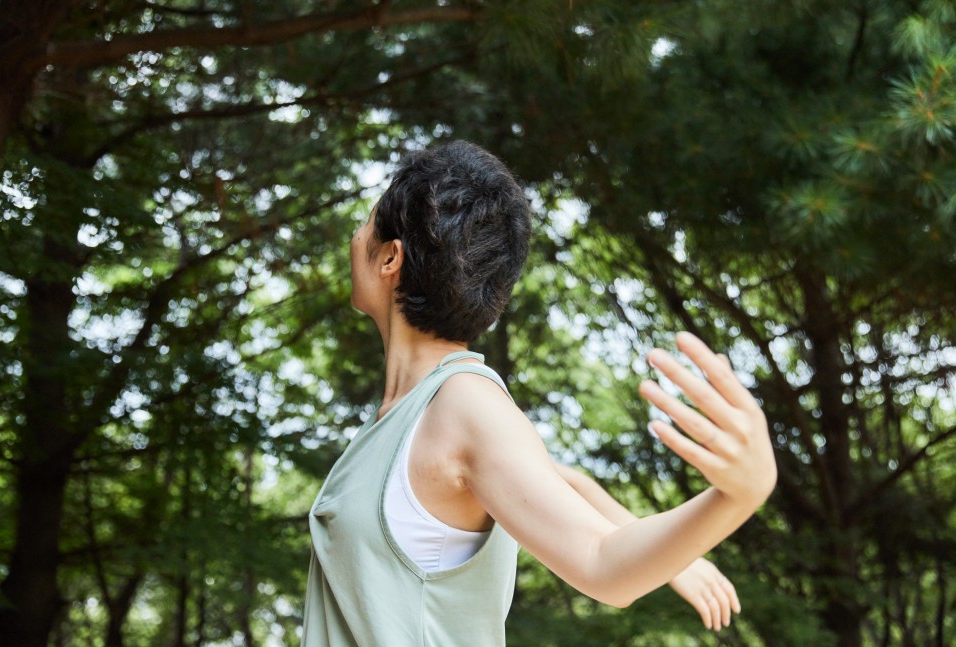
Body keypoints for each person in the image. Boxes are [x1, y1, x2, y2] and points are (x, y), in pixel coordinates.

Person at [300, 141, 777, 646]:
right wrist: (673, 555)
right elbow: (556, 480)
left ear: (390, 257)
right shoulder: (407, 418)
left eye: (366, 221)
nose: (356, 237)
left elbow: (601, 563)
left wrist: (740, 496)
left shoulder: (464, 403)